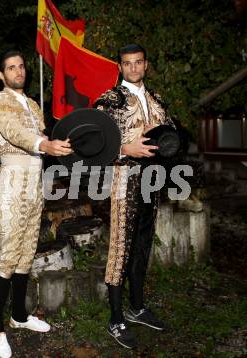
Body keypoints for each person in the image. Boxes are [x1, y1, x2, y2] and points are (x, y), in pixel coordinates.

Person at [0, 50, 72, 358]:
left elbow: (45, 135)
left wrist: (61, 140)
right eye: (11, 67)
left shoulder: (33, 104)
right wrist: (44, 144)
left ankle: (18, 316)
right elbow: (15, 133)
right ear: (1, 74)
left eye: (21, 66)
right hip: (11, 185)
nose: (19, 71)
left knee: (26, 252)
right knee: (7, 254)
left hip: (35, 184)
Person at [94, 44, 175, 349]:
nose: (133, 68)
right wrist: (124, 148)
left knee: (142, 245)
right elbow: (93, 140)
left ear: (146, 65)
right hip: (123, 179)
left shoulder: (158, 101)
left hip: (151, 181)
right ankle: (116, 318)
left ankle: (137, 307)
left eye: (138, 62)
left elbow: (171, 140)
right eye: (127, 64)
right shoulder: (110, 100)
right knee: (120, 248)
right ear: (120, 67)